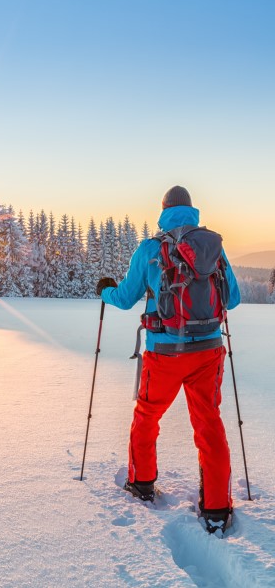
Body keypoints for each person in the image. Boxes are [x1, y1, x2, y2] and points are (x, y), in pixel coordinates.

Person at [96, 185, 240, 534]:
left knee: (147, 416)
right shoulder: (213, 248)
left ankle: (142, 483)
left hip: (164, 353)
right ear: (192, 211)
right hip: (208, 352)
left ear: (163, 211)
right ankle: (217, 507)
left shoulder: (150, 249)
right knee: (209, 423)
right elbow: (232, 299)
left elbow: (127, 297)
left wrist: (105, 290)